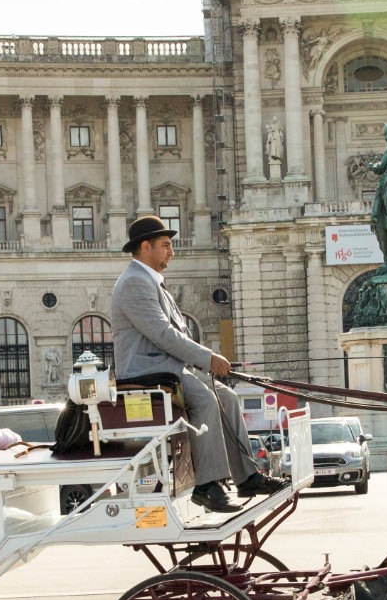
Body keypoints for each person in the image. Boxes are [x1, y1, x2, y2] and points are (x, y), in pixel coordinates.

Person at [108, 213, 279, 513]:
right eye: (165, 245)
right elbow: (163, 334)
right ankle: (206, 487)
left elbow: (173, 334)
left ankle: (247, 476)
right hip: (145, 372)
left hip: (166, 369)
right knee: (205, 400)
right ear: (145, 247)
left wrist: (205, 362)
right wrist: (207, 358)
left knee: (226, 397)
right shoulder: (134, 283)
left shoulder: (151, 282)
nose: (171, 251)